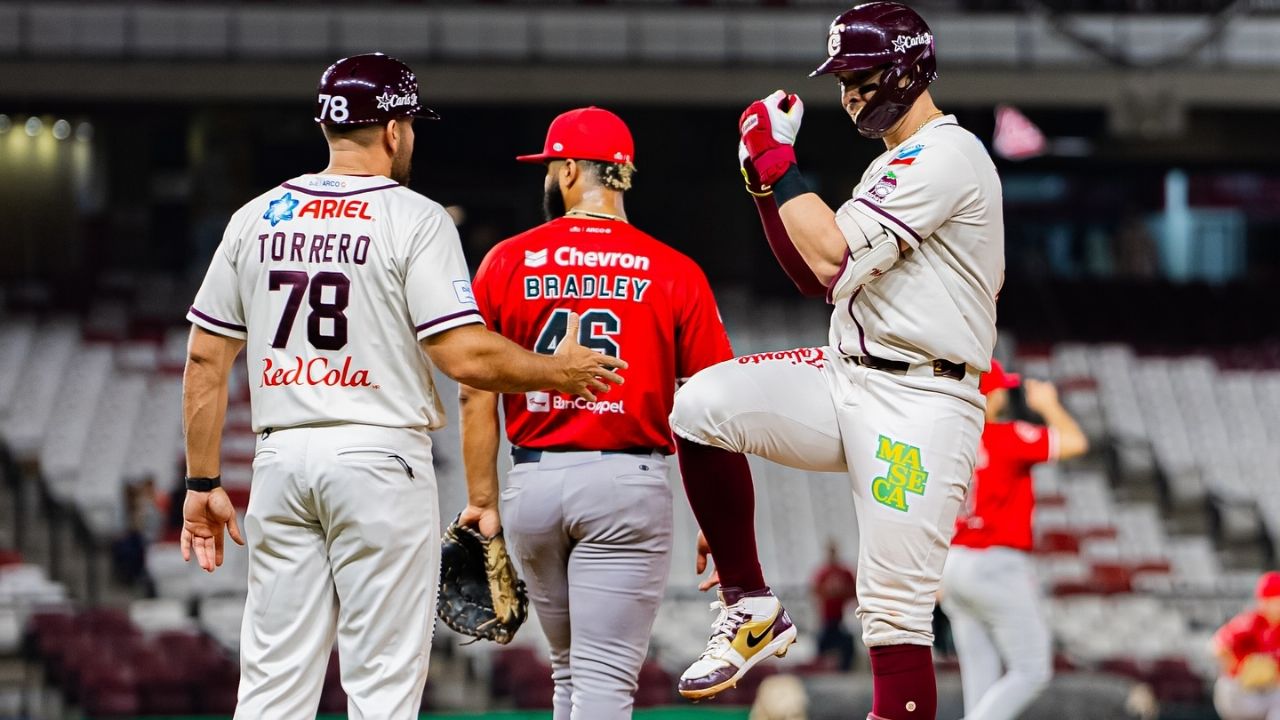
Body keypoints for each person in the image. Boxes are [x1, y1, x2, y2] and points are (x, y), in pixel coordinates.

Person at [179, 54, 626, 720]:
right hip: (378, 459)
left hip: (281, 458)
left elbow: (207, 359)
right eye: (410, 123)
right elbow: (462, 354)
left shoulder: (256, 218)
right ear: (392, 130)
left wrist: (202, 484)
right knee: (382, 687)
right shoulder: (414, 219)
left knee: (272, 684)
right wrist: (555, 370)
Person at [669, 4, 1004, 718]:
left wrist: (775, 161)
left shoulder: (948, 154)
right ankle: (751, 604)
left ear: (910, 66)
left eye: (862, 74)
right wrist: (765, 186)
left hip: (922, 401)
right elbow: (808, 272)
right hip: (849, 369)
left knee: (893, 614)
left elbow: (825, 259)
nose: (849, 92)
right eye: (843, 78)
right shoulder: (897, 160)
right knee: (700, 405)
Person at [458, 106, 745, 720]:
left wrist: (481, 500)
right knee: (605, 688)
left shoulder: (507, 260)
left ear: (566, 171)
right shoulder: (673, 268)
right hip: (625, 485)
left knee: (570, 677)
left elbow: (473, 387)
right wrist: (719, 517)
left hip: (531, 483)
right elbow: (717, 402)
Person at [939, 360, 1089, 720]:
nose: (1007, 391)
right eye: (1001, 386)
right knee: (1033, 669)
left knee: (981, 678)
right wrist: (1049, 405)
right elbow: (1076, 442)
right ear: (988, 396)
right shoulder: (1004, 436)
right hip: (995, 562)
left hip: (953, 562)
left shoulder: (946, 440)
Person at [1213, 572, 1280, 720]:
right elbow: (1218, 647)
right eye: (1275, 599)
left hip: (1268, 693)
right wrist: (1241, 669)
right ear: (1264, 601)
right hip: (1239, 691)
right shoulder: (1250, 623)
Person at [812, 540, 858, 672]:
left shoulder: (844, 572)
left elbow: (853, 591)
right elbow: (816, 593)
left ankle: (846, 668)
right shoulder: (822, 573)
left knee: (847, 643)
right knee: (822, 642)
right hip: (827, 618)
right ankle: (822, 668)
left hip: (842, 618)